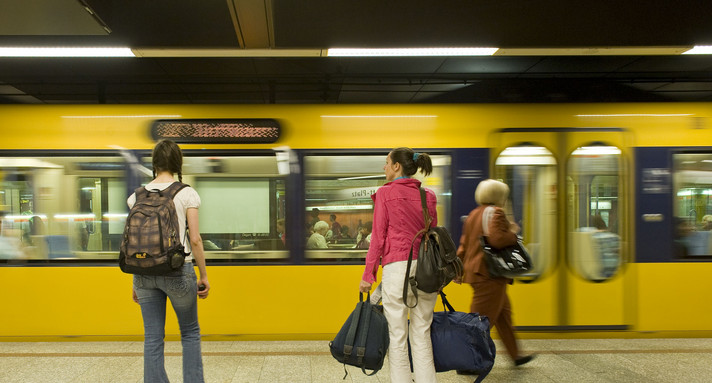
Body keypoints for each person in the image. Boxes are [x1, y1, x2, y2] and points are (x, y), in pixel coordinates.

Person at [128, 139, 210, 383]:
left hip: (143, 274)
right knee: (190, 333)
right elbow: (194, 240)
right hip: (178, 271)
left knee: (152, 337)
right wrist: (203, 276)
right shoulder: (186, 193)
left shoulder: (136, 197)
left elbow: (135, 242)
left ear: (154, 164)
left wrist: (136, 282)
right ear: (177, 163)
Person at [359, 147, 438, 383]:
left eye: (386, 163)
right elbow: (432, 235)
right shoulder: (429, 196)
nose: (383, 167)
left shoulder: (385, 194)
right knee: (422, 331)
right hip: (426, 269)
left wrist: (368, 275)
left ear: (396, 166)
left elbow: (379, 237)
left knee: (397, 333)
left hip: (397, 268)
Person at [456, 179, 534, 372]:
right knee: (481, 321)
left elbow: (464, 245)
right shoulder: (497, 212)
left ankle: (515, 355)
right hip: (489, 274)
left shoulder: (474, 214)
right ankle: (467, 361)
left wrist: (458, 269)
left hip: (478, 273)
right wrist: (513, 233)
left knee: (503, 315)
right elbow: (497, 240)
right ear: (500, 197)